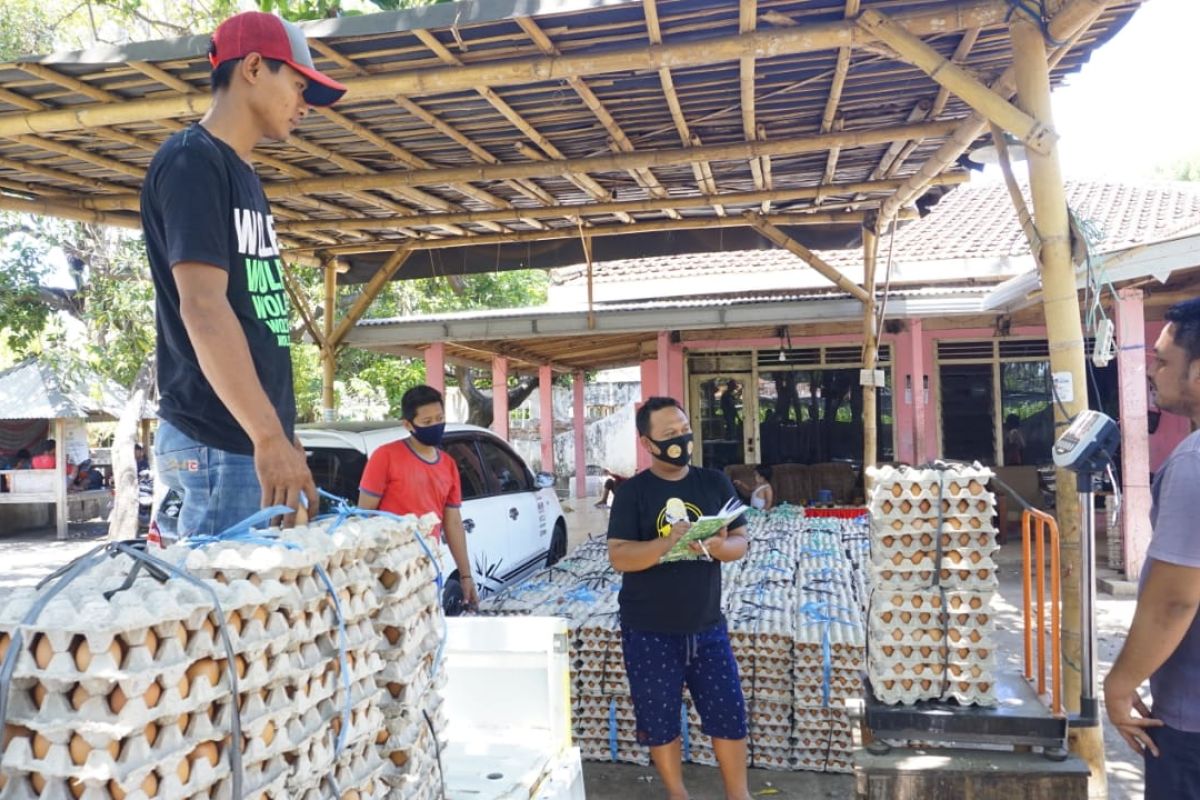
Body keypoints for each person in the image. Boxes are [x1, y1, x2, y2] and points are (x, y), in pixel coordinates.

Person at [143, 11, 345, 535]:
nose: (304, 106)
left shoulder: (242, 173)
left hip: (246, 439)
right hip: (217, 438)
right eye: (299, 86)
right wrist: (267, 437)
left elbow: (251, 316)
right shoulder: (193, 162)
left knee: (265, 610)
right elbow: (204, 307)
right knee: (225, 611)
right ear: (254, 67)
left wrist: (282, 432)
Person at [607, 396, 752, 800]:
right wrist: (666, 543)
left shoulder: (713, 483)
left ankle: (738, 794)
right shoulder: (633, 493)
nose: (681, 440)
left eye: (684, 430)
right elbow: (619, 555)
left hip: (707, 626)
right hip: (649, 629)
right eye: (669, 435)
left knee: (728, 714)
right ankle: (677, 793)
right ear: (647, 443)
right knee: (659, 719)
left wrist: (721, 548)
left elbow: (741, 540)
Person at [1103, 298, 1200, 799]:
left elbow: (1174, 600)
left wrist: (1119, 686)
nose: (1152, 374)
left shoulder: (1192, 465)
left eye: (1163, 362)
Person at [356, 385, 478, 611]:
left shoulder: (448, 466)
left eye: (439, 418)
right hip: (390, 571)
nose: (435, 425)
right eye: (427, 421)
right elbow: (364, 517)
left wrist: (466, 576)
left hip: (429, 568)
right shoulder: (385, 457)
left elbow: (452, 523)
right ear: (408, 425)